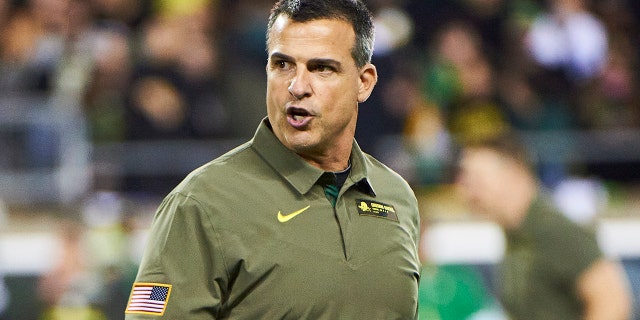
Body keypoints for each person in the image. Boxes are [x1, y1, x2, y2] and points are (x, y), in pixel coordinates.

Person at [124, 0, 421, 318]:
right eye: (282, 65)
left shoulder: (397, 197)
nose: (297, 86)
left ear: (364, 82)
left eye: (322, 68)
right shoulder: (199, 203)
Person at [455, 134, 632, 320]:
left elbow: (614, 304)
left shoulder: (555, 230)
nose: (466, 189)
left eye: (476, 178)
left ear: (513, 172)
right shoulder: (516, 233)